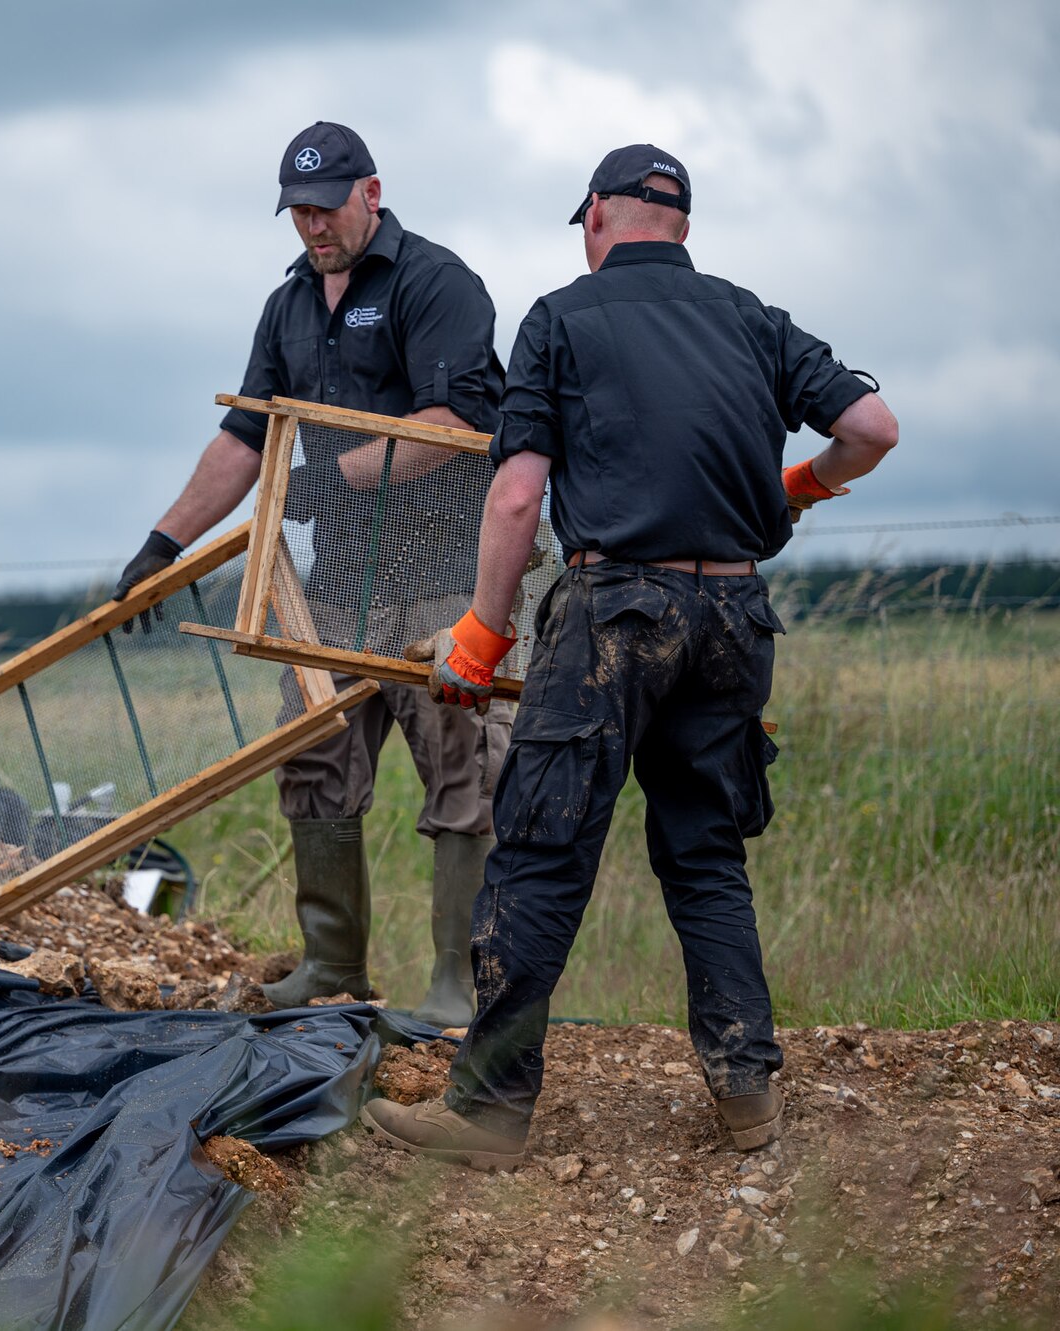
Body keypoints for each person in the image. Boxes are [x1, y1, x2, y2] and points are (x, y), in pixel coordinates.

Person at [368, 145, 899, 1168]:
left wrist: (482, 630)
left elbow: (517, 492)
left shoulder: (561, 317)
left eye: (584, 222)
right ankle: (746, 1094)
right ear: (683, 228)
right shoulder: (750, 317)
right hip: (735, 614)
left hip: (616, 615)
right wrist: (798, 488)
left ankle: (485, 1112)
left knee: (538, 852)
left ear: (599, 218)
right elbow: (871, 426)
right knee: (703, 853)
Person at [111, 122, 507, 1019]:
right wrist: (163, 543)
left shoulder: (436, 283)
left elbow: (456, 424)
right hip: (333, 585)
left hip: (447, 575)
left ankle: (458, 983)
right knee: (312, 750)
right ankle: (332, 966)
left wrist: (340, 468)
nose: (312, 228)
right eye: (297, 212)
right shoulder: (288, 303)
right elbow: (248, 434)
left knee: (464, 764)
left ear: (371, 192)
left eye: (326, 208)